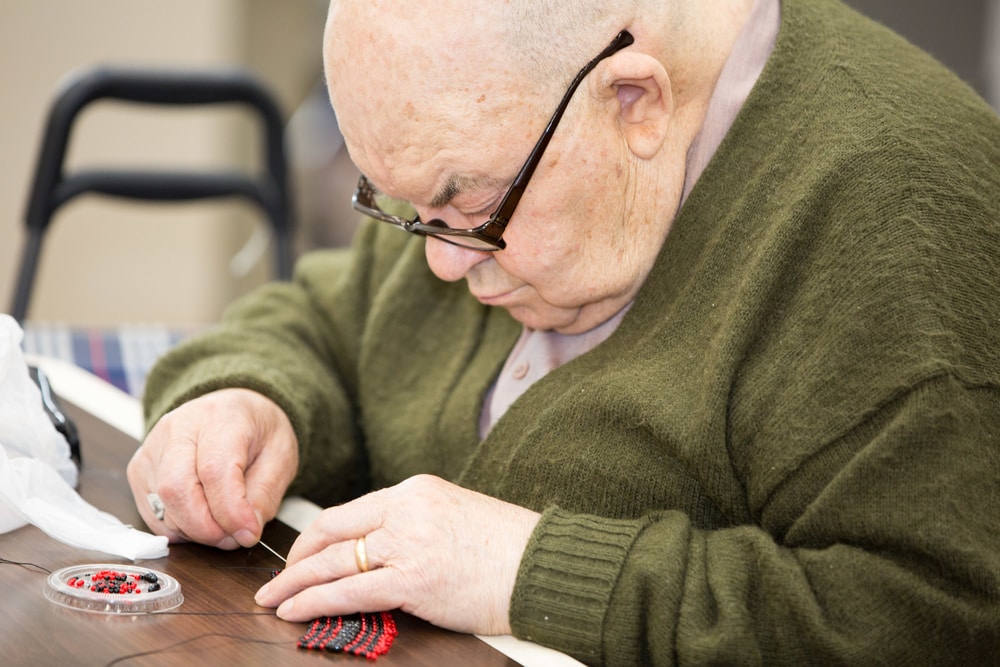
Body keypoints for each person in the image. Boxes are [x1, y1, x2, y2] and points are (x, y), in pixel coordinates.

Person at [126, 0, 1000, 664]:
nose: (437, 262)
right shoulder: (495, 140)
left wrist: (522, 568)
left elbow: (930, 616)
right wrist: (246, 397)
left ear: (635, 102)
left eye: (465, 203)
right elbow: (325, 316)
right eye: (401, 206)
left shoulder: (896, 215)